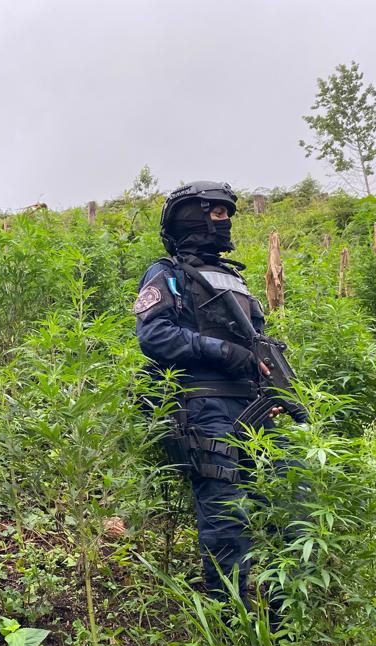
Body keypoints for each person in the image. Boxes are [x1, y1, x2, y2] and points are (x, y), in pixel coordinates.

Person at [135, 181, 283, 603]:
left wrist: (268, 387)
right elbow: (156, 335)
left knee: (287, 504)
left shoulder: (236, 280)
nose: (225, 221)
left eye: (228, 213)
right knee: (226, 517)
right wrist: (222, 352)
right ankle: (230, 620)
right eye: (217, 213)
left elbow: (258, 344)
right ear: (192, 217)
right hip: (204, 405)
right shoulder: (167, 274)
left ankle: (283, 621)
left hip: (254, 408)